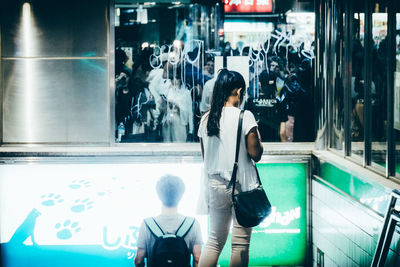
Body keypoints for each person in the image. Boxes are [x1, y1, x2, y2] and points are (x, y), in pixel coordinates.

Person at [197, 70, 263, 267]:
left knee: (214, 241)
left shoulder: (206, 119)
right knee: (240, 243)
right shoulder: (245, 116)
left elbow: (205, 157)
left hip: (214, 184)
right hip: (241, 185)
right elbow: (255, 154)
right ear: (239, 91)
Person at [135, 175, 203, 267]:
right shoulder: (193, 224)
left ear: (158, 195)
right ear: (181, 196)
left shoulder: (147, 224)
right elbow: (197, 259)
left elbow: (139, 260)